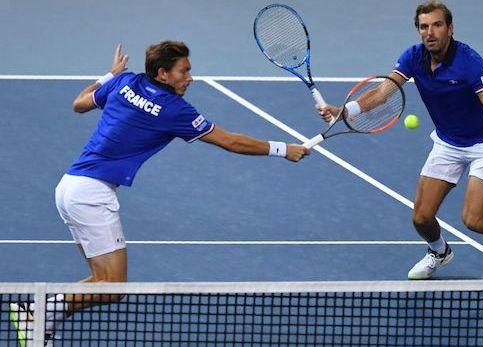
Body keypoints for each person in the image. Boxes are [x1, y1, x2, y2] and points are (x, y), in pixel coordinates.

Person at [10, 41, 309, 343]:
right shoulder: (174, 110)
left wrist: (110, 75)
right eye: (184, 71)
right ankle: (37, 311)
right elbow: (230, 141)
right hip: (91, 195)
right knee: (113, 287)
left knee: (103, 281)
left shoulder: (125, 81)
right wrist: (283, 150)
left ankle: (39, 316)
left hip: (69, 187)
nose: (190, 77)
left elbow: (79, 103)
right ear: (164, 74)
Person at [317, 1, 483, 280]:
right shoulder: (413, 57)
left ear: (450, 28)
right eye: (424, 27)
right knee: (421, 217)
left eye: (437, 25)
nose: (430, 32)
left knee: (474, 219)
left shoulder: (470, 63)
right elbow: (383, 93)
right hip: (448, 143)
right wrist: (345, 111)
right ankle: (439, 252)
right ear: (418, 30)